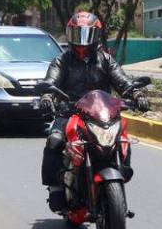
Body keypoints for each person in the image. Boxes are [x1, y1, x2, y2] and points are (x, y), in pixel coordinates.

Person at [40, 12, 146, 211]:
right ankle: (55, 188)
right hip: (69, 112)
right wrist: (47, 97)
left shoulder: (105, 60)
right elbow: (50, 82)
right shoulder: (62, 61)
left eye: (86, 34)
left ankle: (121, 172)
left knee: (121, 137)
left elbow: (122, 81)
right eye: (77, 34)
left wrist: (137, 94)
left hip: (100, 113)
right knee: (54, 140)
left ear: (95, 35)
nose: (81, 41)